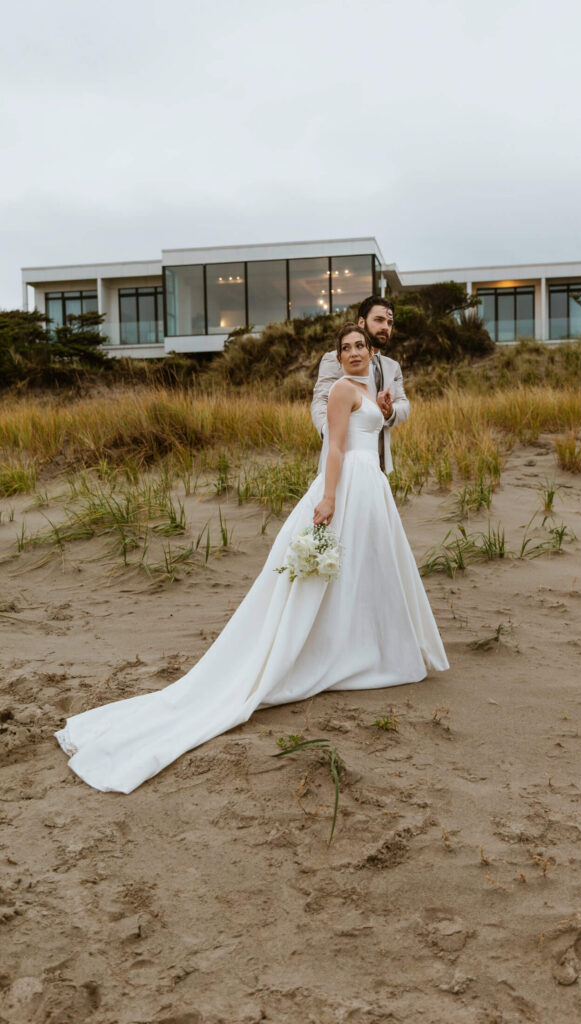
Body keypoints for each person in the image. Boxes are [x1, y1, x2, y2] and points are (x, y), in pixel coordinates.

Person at [55, 323, 449, 794]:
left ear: (371, 350)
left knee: (366, 574)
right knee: (328, 576)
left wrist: (383, 411)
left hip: (372, 493)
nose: (354, 354)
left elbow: (371, 434)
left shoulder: (371, 390)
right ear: (338, 358)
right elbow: (336, 446)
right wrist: (328, 498)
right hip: (347, 488)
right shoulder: (343, 390)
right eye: (345, 349)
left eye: (360, 346)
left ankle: (361, 647)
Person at [311, 296, 408, 473]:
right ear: (361, 322)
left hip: (379, 463)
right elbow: (321, 401)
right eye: (379, 320)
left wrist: (390, 411)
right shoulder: (335, 359)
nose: (385, 327)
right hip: (344, 459)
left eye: (389, 322)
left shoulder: (392, 367)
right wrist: (330, 433)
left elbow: (404, 404)